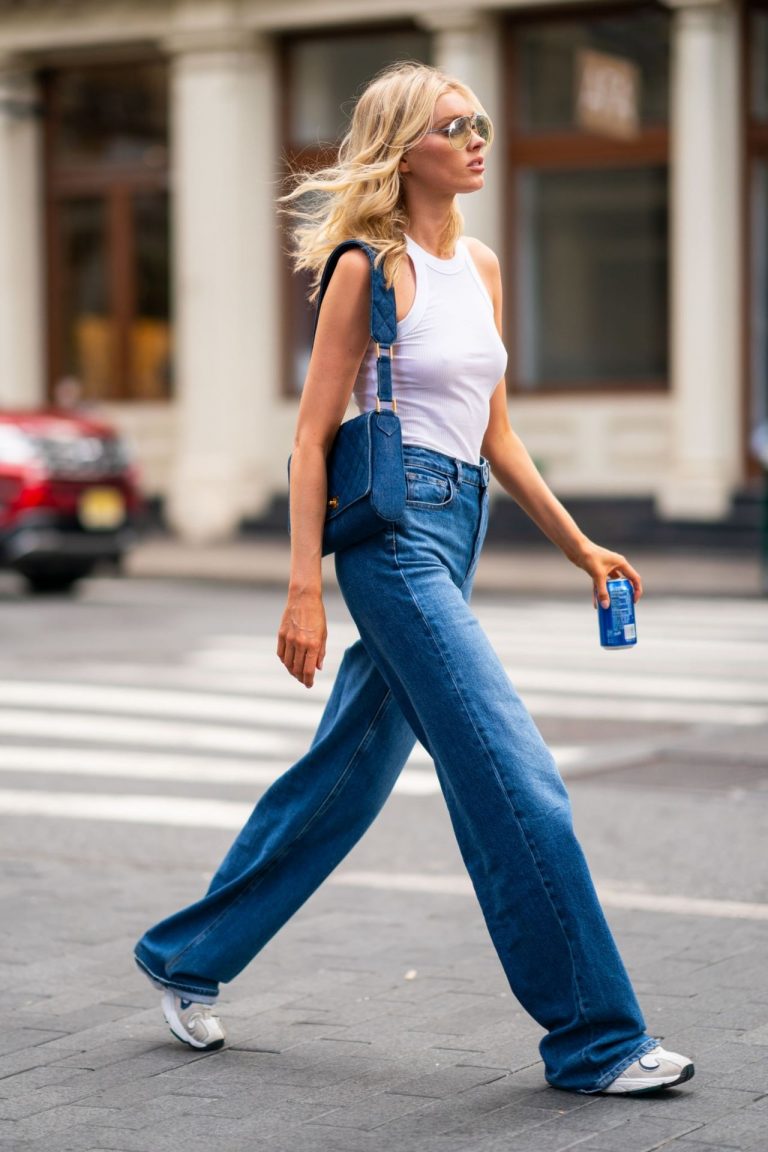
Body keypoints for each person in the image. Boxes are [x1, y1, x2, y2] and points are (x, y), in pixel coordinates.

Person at [134, 61, 694, 1097]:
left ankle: (184, 954)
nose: (481, 135)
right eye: (456, 123)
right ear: (406, 149)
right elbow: (311, 441)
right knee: (514, 777)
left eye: (482, 118)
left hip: (459, 524)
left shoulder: (477, 268)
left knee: (342, 779)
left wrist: (579, 546)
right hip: (391, 542)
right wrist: (303, 586)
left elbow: (497, 436)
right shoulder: (367, 267)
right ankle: (596, 1039)